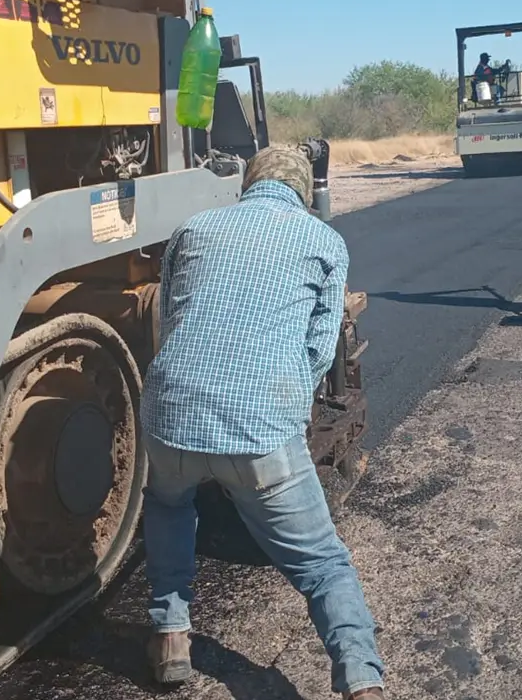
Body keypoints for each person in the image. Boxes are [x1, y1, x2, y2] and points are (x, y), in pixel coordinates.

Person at [138, 146, 387, 700]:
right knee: (322, 563)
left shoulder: (194, 228)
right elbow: (321, 350)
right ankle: (361, 681)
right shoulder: (323, 240)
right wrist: (288, 401)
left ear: (247, 183)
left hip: (169, 415)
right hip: (259, 432)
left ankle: (171, 635)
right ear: (302, 190)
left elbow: (175, 312)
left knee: (170, 504)